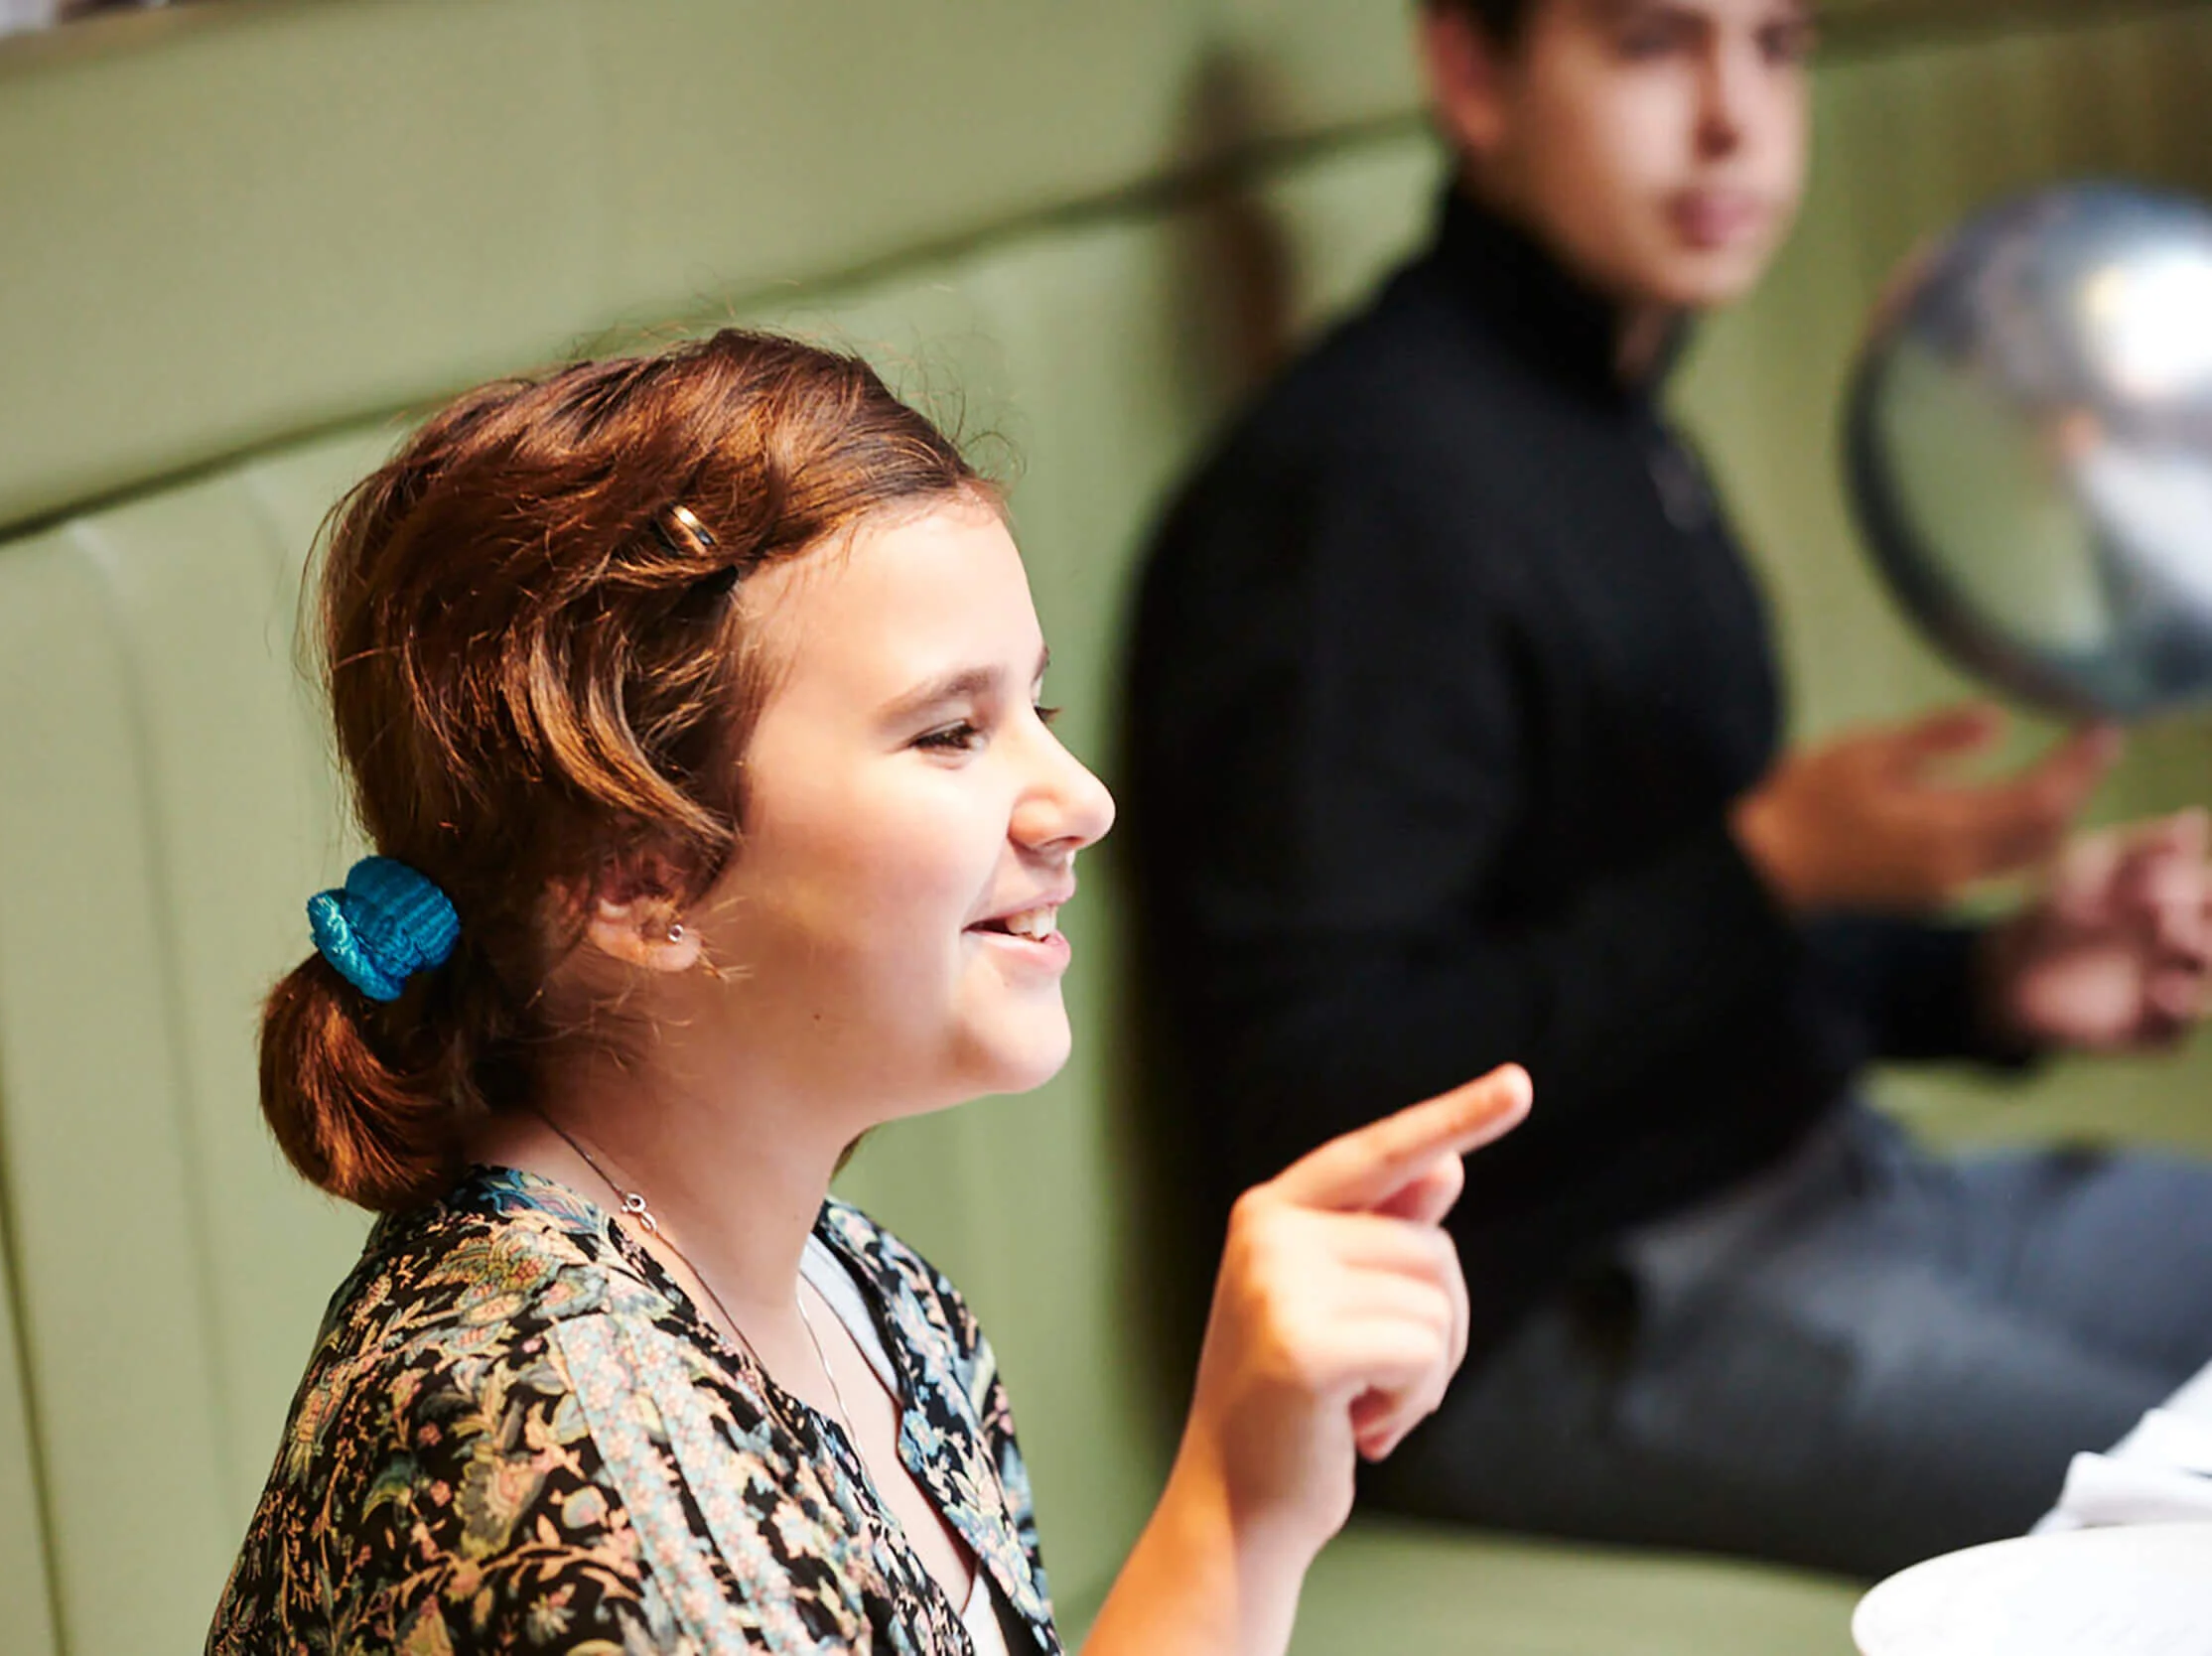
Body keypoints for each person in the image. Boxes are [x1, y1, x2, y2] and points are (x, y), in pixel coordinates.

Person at [207, 331, 1533, 1655]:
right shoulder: (564, 1471)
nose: (1082, 800)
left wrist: (1247, 1505)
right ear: (637, 879)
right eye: (951, 731)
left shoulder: (866, 1294)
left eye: (1039, 711)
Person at [1125, 0, 2212, 1581]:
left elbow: (1635, 931)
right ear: (1471, 72)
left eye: (1775, 45)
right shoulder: (1358, 490)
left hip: (1837, 1189)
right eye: (1654, 44)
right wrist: (1767, 868)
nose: (1734, 121)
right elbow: (1321, 1090)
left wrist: (1985, 977)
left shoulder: (1603, 410)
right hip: (1557, 1316)